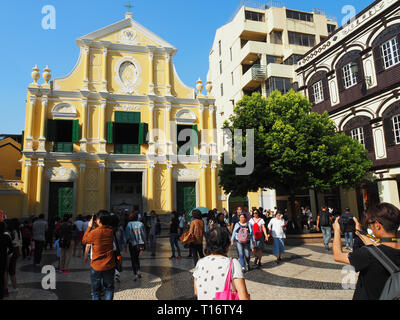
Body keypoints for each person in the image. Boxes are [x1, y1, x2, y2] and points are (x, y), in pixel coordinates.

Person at [332, 203, 400, 300]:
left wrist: (337, 231)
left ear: (377, 225)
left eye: (370, 224)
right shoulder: (382, 251)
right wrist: (360, 232)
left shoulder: (368, 255)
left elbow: (337, 256)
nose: (370, 227)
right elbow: (377, 248)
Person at [193, 226, 250, 300]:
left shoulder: (200, 263)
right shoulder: (233, 263)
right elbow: (243, 297)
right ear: (226, 245)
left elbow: (196, 292)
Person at [82, 210, 116, 300]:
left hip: (96, 265)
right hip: (109, 264)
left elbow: (84, 240)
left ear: (99, 220)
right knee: (109, 288)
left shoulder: (94, 233)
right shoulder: (110, 232)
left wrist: (89, 227)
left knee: (96, 291)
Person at [125, 212, 146, 281]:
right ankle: (138, 270)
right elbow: (143, 234)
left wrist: (126, 243)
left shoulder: (129, 224)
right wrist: (144, 242)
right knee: (137, 258)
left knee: (133, 259)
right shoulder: (141, 224)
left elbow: (127, 235)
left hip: (132, 244)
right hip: (140, 243)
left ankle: (136, 272)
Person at [0, 222, 13, 300]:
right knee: (2, 275)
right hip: (2, 258)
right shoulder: (6, 237)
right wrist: (6, 253)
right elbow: (11, 249)